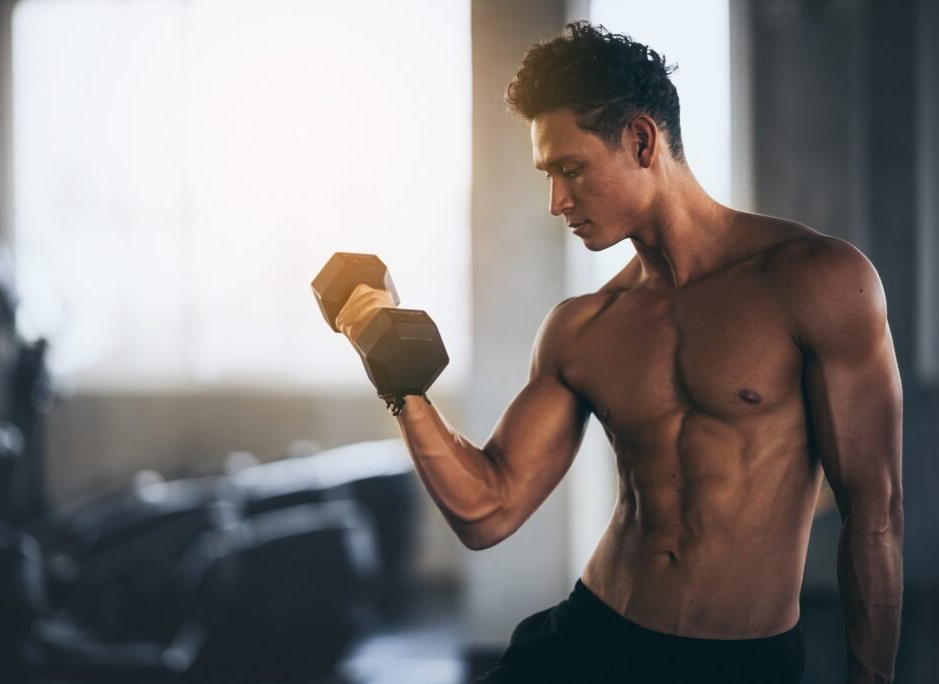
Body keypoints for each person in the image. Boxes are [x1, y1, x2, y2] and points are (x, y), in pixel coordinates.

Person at [334, 22, 902, 684]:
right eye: (549, 174)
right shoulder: (583, 327)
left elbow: (875, 514)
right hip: (591, 636)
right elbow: (488, 511)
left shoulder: (817, 281)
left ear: (641, 141)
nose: (557, 202)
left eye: (571, 170)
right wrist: (399, 380)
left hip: (735, 663)